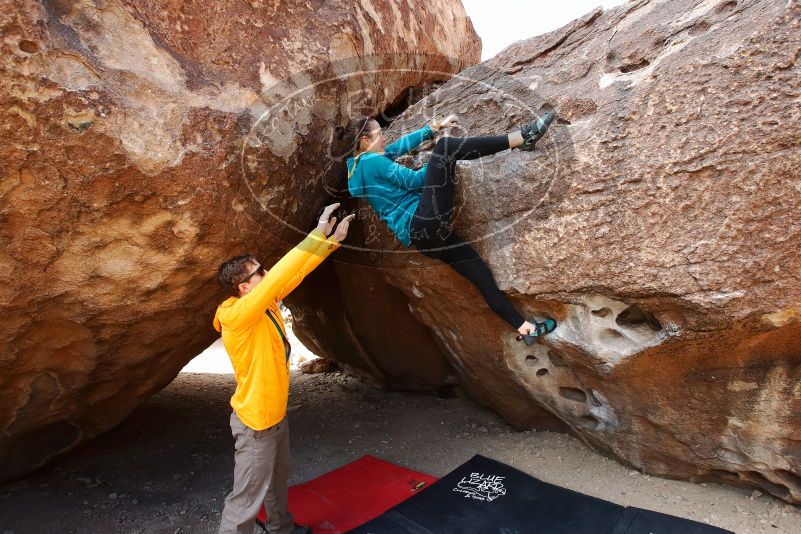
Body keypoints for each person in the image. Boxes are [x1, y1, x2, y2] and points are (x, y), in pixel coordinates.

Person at [333, 113, 557, 344]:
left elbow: (397, 147)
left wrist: (430, 129)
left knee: (479, 273)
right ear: (365, 140)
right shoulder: (373, 162)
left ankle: (525, 328)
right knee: (446, 147)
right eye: (380, 133)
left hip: (425, 240)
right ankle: (523, 137)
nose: (384, 137)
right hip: (424, 220)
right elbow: (416, 181)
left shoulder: (361, 166)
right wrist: (439, 164)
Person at [213, 203, 355, 534]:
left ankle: (281, 529)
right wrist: (317, 232)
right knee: (246, 499)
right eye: (260, 272)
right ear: (244, 287)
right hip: (256, 424)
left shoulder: (265, 303)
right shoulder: (236, 315)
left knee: (277, 483)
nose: (267, 273)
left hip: (275, 417)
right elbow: (280, 273)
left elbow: (294, 272)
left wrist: (330, 242)